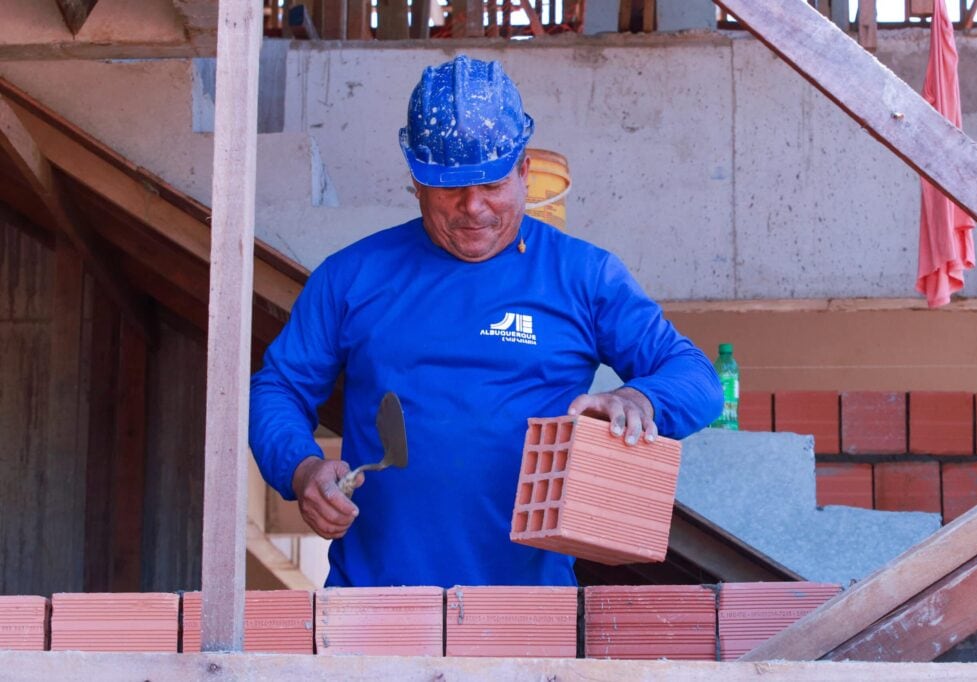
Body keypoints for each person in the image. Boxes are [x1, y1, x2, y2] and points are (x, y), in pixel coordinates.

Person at [249, 54, 723, 588]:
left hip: (529, 611)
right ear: (416, 181)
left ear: (524, 171)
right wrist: (301, 468)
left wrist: (640, 400)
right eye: (450, 188)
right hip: (375, 606)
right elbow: (277, 389)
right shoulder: (351, 278)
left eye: (492, 184)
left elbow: (699, 380)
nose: (473, 208)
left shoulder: (583, 276)